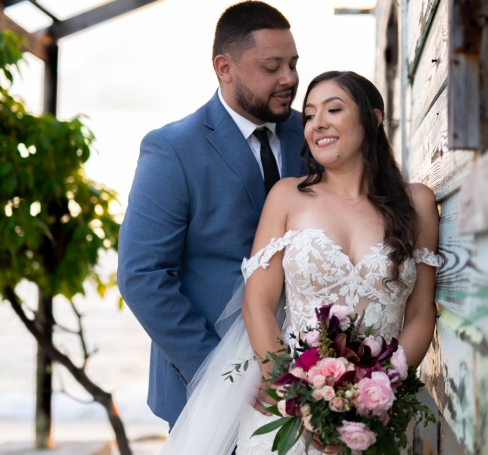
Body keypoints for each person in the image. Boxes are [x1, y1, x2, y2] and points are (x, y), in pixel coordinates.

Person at [161, 71, 440, 454]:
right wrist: (299, 400)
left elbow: (422, 311)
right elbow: (256, 303)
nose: (317, 124)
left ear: (374, 119)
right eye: (309, 115)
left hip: (380, 418)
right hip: (290, 416)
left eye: (334, 109)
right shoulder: (287, 197)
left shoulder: (418, 203)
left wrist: (378, 395)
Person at [117, 0, 306, 428]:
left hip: (307, 381)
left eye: (293, 64)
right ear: (225, 67)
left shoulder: (313, 135)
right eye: (272, 66)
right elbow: (142, 276)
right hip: (207, 385)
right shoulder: (172, 149)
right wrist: (221, 376)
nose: (290, 79)